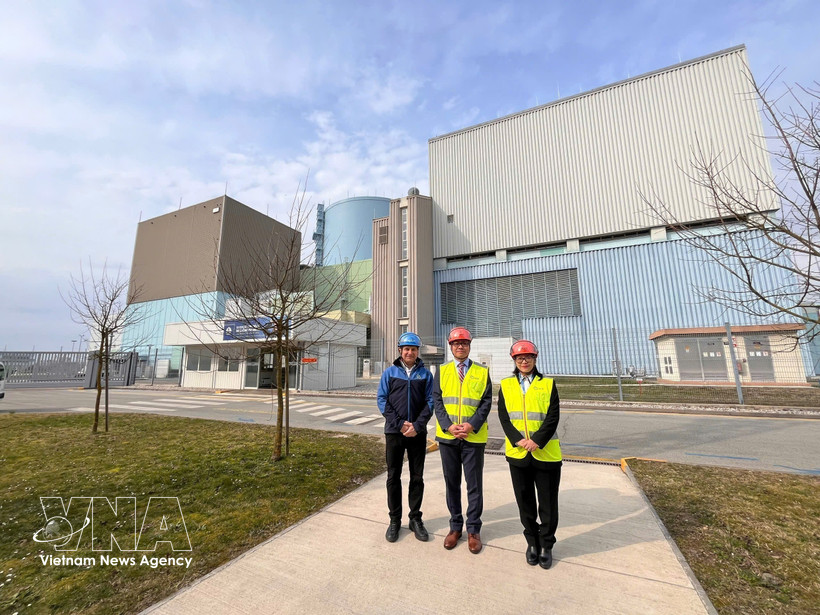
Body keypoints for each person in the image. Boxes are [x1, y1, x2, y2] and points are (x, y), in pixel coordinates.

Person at [497, 340, 562, 569]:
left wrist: (537, 441)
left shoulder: (548, 384)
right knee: (525, 503)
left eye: (528, 357)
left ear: (535, 358)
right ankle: (531, 543)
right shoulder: (505, 385)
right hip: (518, 454)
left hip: (546, 454)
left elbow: (553, 417)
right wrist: (519, 440)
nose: (524, 361)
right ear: (514, 361)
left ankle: (546, 545)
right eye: (519, 358)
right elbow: (504, 417)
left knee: (548, 504)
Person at [432, 326, 492, 554]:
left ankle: (474, 529)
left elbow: (486, 403)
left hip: (473, 437)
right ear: (450, 346)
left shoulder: (481, 372)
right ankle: (455, 527)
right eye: (456, 343)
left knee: (474, 485)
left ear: (469, 346)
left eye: (464, 343)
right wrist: (448, 426)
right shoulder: (443, 370)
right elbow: (437, 401)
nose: (460, 346)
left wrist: (471, 425)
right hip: (448, 438)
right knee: (452, 483)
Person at [377, 331, 435, 543]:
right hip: (395, 433)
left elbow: (431, 402)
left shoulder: (426, 375)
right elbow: (382, 400)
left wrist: (417, 426)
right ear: (400, 351)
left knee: (417, 477)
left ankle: (415, 518)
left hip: (417, 434)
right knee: (393, 477)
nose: (410, 352)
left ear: (418, 352)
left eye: (414, 349)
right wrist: (400, 424)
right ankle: (394, 520)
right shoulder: (389, 373)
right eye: (406, 349)